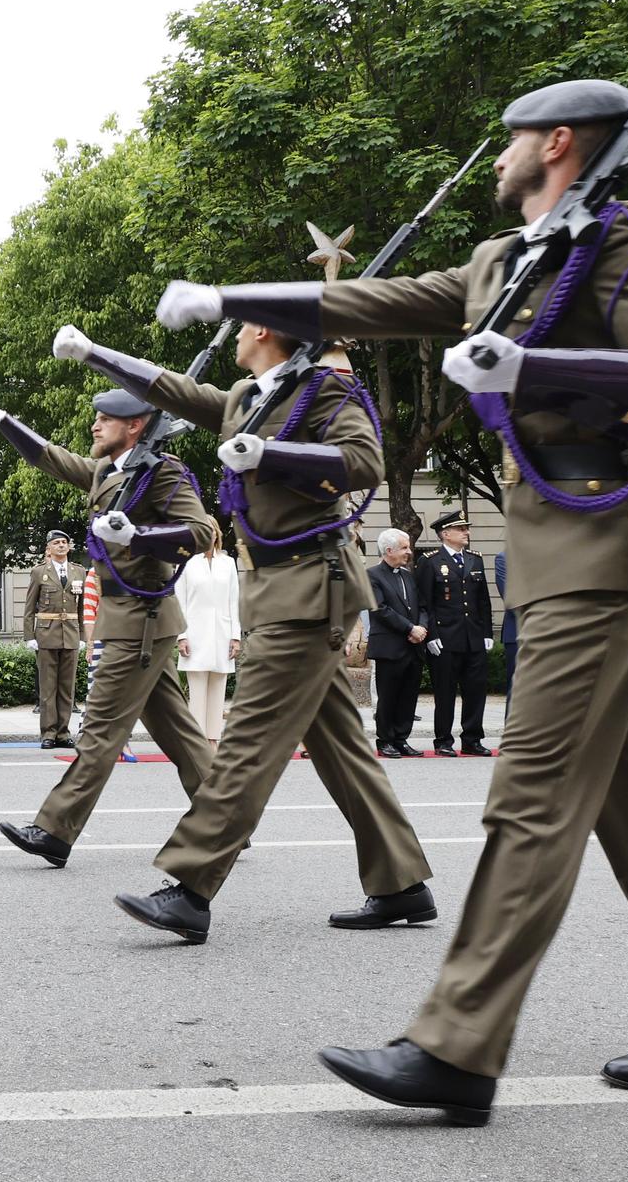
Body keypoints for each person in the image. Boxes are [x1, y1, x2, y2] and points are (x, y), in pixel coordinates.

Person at [156, 78, 628, 1122]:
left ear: (559, 143)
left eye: (512, 138)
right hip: (553, 545)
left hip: (603, 535)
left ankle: (456, 1044)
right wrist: (229, 299)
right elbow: (370, 303)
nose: (496, 156)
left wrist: (535, 361)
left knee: (528, 798)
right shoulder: (500, 259)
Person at [55, 323, 434, 942]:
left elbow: (365, 462)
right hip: (280, 589)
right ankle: (400, 882)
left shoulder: (325, 389)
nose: (232, 334)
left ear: (263, 329)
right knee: (342, 746)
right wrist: (96, 353)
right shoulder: (250, 395)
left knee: (247, 740)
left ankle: (191, 887)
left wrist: (270, 454)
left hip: (310, 588)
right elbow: (174, 391)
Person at [0, 389, 217, 860]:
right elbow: (50, 458)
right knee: (178, 732)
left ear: (135, 427)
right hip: (130, 617)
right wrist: (5, 420)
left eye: (106, 419)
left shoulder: (162, 472)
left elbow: (203, 531)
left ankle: (55, 830)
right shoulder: (110, 472)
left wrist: (138, 535)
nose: (95, 426)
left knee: (101, 728)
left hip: (140, 619)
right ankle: (227, 818)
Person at [416, 513, 493, 756]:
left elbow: (484, 601)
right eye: (461, 529)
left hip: (473, 637)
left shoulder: (475, 560)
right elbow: (425, 602)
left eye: (466, 529)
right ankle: (443, 740)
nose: (466, 533)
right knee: (445, 692)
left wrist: (487, 632)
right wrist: (432, 635)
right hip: (446, 638)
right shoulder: (430, 561)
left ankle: (472, 739)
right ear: (445, 534)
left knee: (475, 691)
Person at [173, 529, 241, 744]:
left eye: (211, 532)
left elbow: (234, 601)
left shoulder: (228, 563)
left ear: (216, 535)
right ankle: (196, 742)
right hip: (194, 634)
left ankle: (213, 740)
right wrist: (181, 635)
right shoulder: (186, 562)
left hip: (223, 633)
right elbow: (179, 601)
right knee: (197, 692)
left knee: (218, 691)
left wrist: (235, 636)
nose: (208, 536)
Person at [23, 529, 87, 750]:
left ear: (68, 547)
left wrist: (83, 636)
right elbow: (29, 607)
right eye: (56, 543)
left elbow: (82, 608)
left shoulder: (79, 572)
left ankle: (63, 732)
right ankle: (48, 733)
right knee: (48, 687)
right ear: (48, 548)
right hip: (46, 633)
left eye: (64, 542)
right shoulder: (39, 571)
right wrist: (29, 636)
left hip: (70, 632)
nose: (61, 545)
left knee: (66, 687)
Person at [366, 528, 426, 757]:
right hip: (390, 647)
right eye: (404, 548)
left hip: (413, 645)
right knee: (388, 697)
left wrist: (420, 628)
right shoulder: (372, 575)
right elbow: (380, 609)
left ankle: (401, 738)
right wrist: (409, 628)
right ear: (388, 550)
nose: (409, 552)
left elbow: (421, 606)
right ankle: (385, 740)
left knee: (408, 696)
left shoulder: (408, 576)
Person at [493, 550, 519, 692]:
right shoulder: (505, 558)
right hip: (519, 631)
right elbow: (512, 599)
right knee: (517, 690)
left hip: (553, 631)